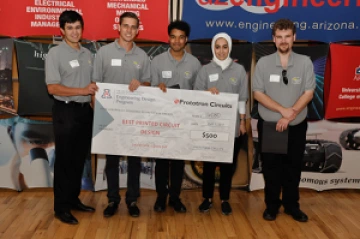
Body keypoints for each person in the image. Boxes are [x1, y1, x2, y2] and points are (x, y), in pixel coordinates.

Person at [252, 19, 315, 222]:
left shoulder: (305, 62)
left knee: (293, 167)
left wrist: (292, 114)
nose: (283, 40)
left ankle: (291, 206)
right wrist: (282, 111)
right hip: (270, 125)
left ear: (294, 37)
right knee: (271, 168)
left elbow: (309, 92)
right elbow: (257, 94)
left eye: (287, 36)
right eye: (279, 37)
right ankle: (272, 206)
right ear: (273, 39)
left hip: (296, 125)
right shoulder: (264, 63)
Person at [92, 12, 150, 218]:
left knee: (134, 160)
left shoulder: (142, 56)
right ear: (119, 26)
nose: (129, 30)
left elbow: (149, 85)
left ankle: (132, 199)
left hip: (134, 118)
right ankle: (113, 200)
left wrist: (141, 84)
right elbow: (95, 84)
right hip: (109, 118)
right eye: (126, 26)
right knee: (112, 160)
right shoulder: (104, 53)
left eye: (134, 27)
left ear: (138, 30)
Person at [45, 10, 98, 225]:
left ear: (82, 29)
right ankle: (61, 207)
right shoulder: (55, 54)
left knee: (78, 159)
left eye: (77, 27)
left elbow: (93, 88)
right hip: (65, 111)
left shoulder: (87, 54)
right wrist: (82, 91)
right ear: (62, 30)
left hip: (85, 112)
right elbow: (52, 87)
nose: (74, 32)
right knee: (65, 161)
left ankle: (73, 199)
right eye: (70, 28)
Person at [151, 21, 201, 213]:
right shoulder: (157, 61)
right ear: (168, 38)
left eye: (181, 37)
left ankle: (175, 198)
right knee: (162, 161)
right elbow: (152, 90)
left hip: (184, 120)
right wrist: (158, 88)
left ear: (186, 39)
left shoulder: (194, 63)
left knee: (179, 162)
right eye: (173, 36)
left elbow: (198, 92)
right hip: (163, 119)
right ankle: (160, 198)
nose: (177, 41)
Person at [194, 32, 248, 215]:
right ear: (213, 48)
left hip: (231, 126)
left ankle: (225, 199)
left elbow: (242, 99)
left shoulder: (239, 71)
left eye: (225, 47)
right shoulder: (205, 70)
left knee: (227, 166)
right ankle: (207, 199)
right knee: (208, 165)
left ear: (230, 48)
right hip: (210, 126)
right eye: (218, 47)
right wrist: (207, 92)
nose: (221, 51)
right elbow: (196, 97)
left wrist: (242, 121)